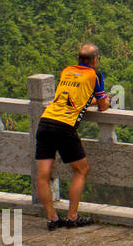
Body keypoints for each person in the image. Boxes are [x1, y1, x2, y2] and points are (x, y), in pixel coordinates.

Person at [35, 43, 110, 230]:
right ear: (95, 60)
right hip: (64, 126)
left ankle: (52, 219)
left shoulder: (66, 71)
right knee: (81, 170)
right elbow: (103, 106)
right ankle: (72, 217)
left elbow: (74, 96)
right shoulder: (95, 75)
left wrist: (89, 100)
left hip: (45, 122)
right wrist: (105, 98)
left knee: (43, 175)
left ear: (78, 59)